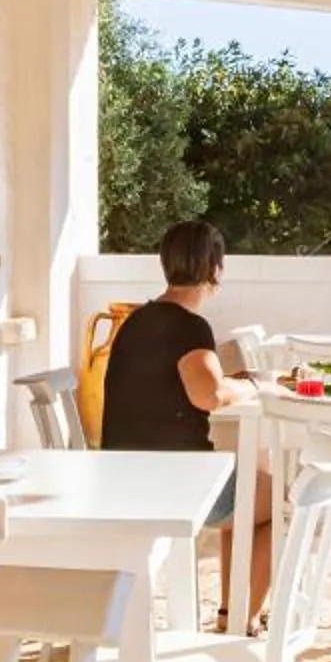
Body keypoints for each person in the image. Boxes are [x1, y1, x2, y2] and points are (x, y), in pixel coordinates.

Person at [96, 219, 272, 628]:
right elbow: (208, 394)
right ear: (215, 269)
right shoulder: (189, 326)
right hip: (175, 481)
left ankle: (234, 613)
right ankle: (239, 618)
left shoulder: (137, 321)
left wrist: (231, 383)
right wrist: (250, 387)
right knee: (278, 504)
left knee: (248, 493)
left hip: (122, 473)